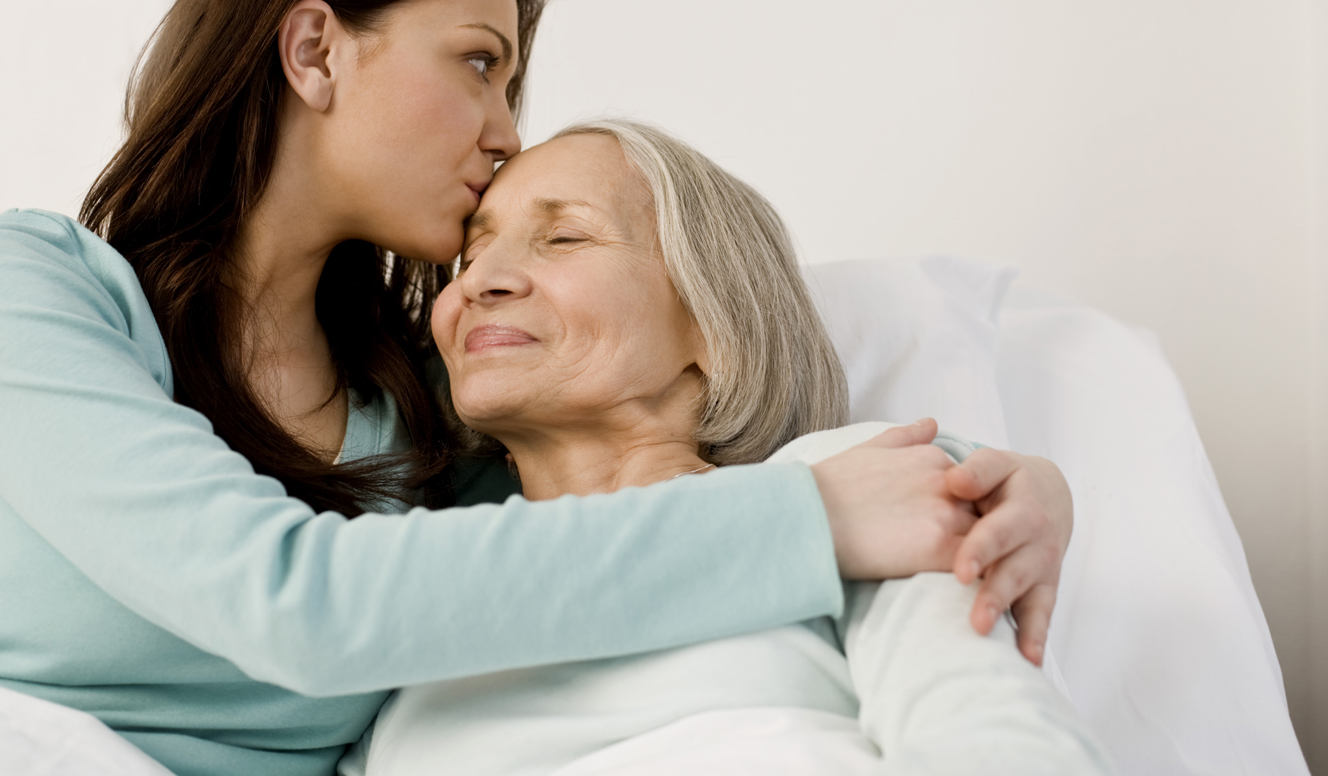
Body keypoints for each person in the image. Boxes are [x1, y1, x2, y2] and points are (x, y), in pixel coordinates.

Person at [0, 0, 1071, 776]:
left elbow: (616, 506)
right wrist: (816, 515)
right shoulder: (18, 291)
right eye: (480, 62)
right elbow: (297, 599)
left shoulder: (423, 431)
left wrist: (985, 481)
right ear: (314, 51)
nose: (505, 129)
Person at [348, 121, 1105, 775]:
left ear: (714, 324)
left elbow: (995, 737)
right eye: (469, 259)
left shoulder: (851, 487)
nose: (483, 282)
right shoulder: (423, 605)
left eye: (565, 236)